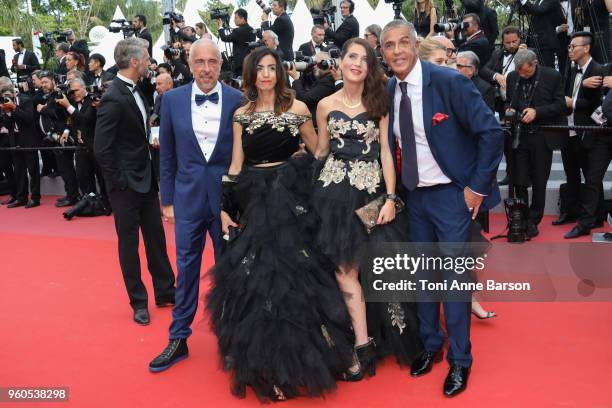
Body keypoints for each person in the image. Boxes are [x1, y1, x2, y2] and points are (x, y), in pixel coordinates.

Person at [202, 47, 355, 401]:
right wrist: (226, 207)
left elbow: (319, 151)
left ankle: (307, 360)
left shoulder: (298, 109)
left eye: (272, 68)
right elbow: (237, 164)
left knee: (300, 279)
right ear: (251, 74)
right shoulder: (241, 114)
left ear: (280, 73)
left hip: (292, 199)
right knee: (262, 284)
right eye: (261, 69)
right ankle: (268, 367)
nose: (267, 74)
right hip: (255, 200)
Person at [382, 20, 503, 397]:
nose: (398, 50)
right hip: (414, 196)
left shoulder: (448, 82)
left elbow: (492, 132)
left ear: (416, 45)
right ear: (383, 53)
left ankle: (460, 362)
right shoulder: (390, 88)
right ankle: (431, 346)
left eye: (404, 42)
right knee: (422, 278)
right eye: (389, 45)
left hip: (452, 196)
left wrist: (476, 189)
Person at [312, 37, 423, 380]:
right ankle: (362, 349)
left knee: (383, 269)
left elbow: (387, 152)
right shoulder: (324, 104)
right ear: (341, 61)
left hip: (373, 196)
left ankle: (391, 340)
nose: (357, 63)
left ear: (370, 67)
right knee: (343, 272)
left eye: (364, 59)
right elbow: (321, 151)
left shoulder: (379, 101)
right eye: (352, 56)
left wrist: (391, 198)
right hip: (331, 197)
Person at [148, 40, 243, 374]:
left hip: (226, 205)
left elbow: (240, 158)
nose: (205, 68)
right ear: (189, 65)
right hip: (186, 201)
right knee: (186, 269)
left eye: (212, 62)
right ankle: (178, 337)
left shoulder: (237, 100)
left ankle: (232, 338)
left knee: (229, 271)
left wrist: (240, 202)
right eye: (199, 61)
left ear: (220, 64)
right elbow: (167, 156)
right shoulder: (170, 99)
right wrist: (168, 201)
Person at [94, 37, 176, 325]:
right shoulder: (113, 97)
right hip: (126, 187)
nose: (149, 62)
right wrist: (120, 182)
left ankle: (166, 291)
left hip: (146, 180)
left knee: (156, 239)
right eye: (145, 57)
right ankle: (138, 301)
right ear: (133, 62)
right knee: (129, 246)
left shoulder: (137, 89)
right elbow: (101, 148)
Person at [505, 49, 568, 238]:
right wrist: (510, 109)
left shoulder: (552, 76)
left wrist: (537, 112)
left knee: (540, 181)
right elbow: (509, 102)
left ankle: (534, 220)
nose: (522, 75)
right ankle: (521, 217)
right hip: (520, 135)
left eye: (526, 72)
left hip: (542, 136)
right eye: (520, 72)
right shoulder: (512, 77)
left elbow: (560, 105)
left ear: (535, 63)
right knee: (520, 180)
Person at [562, 32, 609, 238]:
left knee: (592, 179)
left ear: (587, 48)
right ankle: (586, 222)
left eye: (574, 46)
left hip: (595, 129)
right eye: (569, 46)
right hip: (593, 135)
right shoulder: (572, 69)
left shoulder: (601, 69)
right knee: (591, 179)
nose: (570, 50)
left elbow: (597, 101)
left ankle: (596, 216)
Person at [0, 80, 39, 208]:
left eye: (8, 96)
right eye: (4, 97)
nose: (7, 99)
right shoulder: (6, 106)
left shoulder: (25, 100)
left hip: (28, 140)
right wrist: (7, 112)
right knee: (19, 171)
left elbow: (28, 118)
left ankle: (35, 198)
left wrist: (14, 108)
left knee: (32, 171)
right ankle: (21, 197)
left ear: (14, 94)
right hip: (14, 141)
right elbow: (7, 125)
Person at [217, 8, 255, 77]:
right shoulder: (252, 30)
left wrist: (220, 27)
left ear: (242, 18)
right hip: (250, 61)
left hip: (239, 64)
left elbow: (224, 38)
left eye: (236, 18)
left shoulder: (238, 31)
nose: (234, 20)